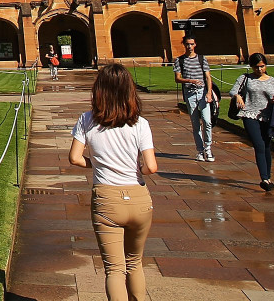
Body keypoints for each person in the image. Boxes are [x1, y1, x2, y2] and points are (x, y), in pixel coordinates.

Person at [69, 63, 158, 301]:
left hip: (106, 199)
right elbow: (151, 167)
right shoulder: (140, 123)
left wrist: (97, 164)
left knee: (114, 269)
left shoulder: (87, 120)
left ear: (99, 90)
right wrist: (135, 168)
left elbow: (75, 158)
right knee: (135, 263)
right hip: (138, 197)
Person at [231, 53, 274, 191]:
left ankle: (268, 176)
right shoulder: (245, 78)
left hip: (267, 116)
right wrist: (238, 96)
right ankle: (264, 179)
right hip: (249, 114)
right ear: (251, 67)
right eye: (256, 67)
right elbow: (233, 91)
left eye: (262, 66)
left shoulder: (273, 81)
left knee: (267, 146)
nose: (259, 70)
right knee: (259, 145)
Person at [173, 36, 216, 162]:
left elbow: (208, 77)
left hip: (202, 93)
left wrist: (209, 93)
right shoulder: (179, 60)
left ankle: (208, 148)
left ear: (195, 44)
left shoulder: (202, 59)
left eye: (191, 44)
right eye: (187, 44)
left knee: (207, 121)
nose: (189, 46)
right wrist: (190, 80)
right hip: (190, 93)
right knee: (195, 124)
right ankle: (200, 150)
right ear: (184, 45)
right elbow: (177, 78)